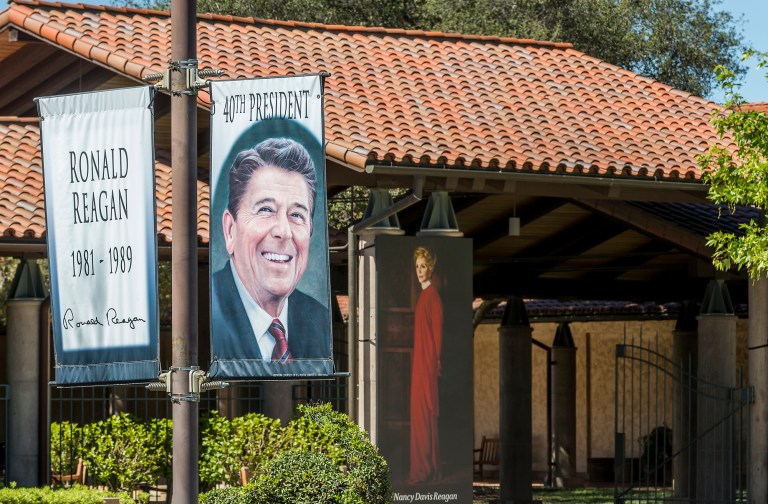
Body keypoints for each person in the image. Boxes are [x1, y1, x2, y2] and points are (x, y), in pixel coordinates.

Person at [211, 137, 329, 363]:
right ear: (230, 230)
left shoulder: (320, 321)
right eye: (266, 209)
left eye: (297, 215)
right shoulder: (205, 313)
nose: (284, 231)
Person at [409, 246, 443, 483]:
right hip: (420, 364)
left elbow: (437, 335)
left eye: (423, 266)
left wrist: (434, 364)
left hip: (427, 365)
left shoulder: (433, 297)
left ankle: (425, 468)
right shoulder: (424, 295)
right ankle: (423, 467)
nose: (420, 271)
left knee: (424, 415)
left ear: (430, 268)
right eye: (417, 267)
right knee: (418, 415)